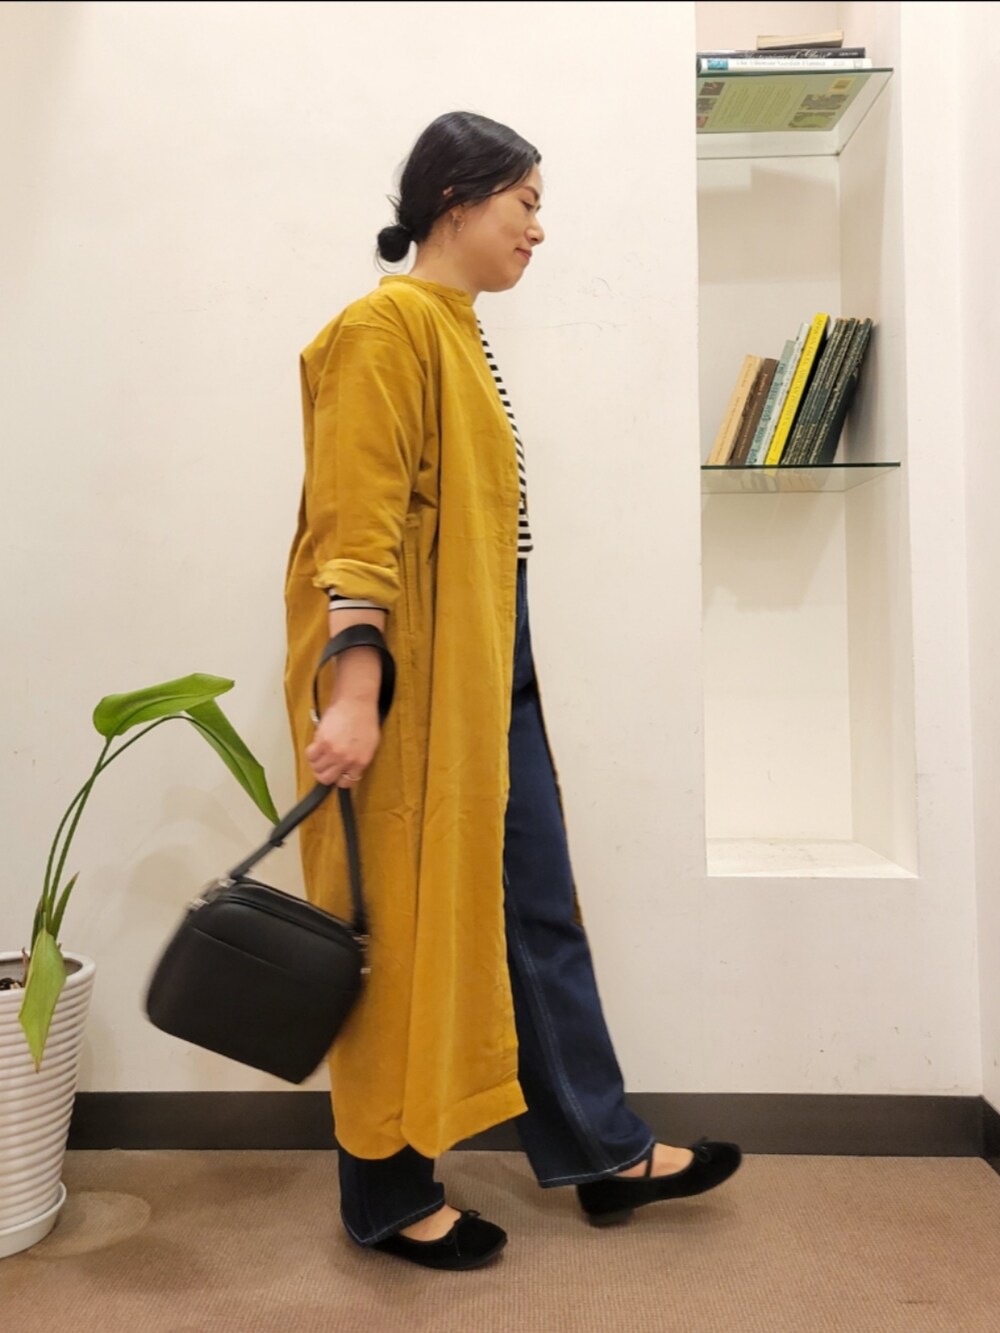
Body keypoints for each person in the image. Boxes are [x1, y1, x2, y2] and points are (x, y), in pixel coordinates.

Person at [283, 111, 742, 1272]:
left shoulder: (455, 330)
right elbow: (355, 524)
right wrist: (355, 688)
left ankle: (600, 1149)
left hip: (491, 670)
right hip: (411, 682)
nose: (539, 228)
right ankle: (385, 1196)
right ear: (456, 199)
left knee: (537, 911)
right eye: (525, 202)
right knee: (396, 929)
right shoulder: (385, 327)